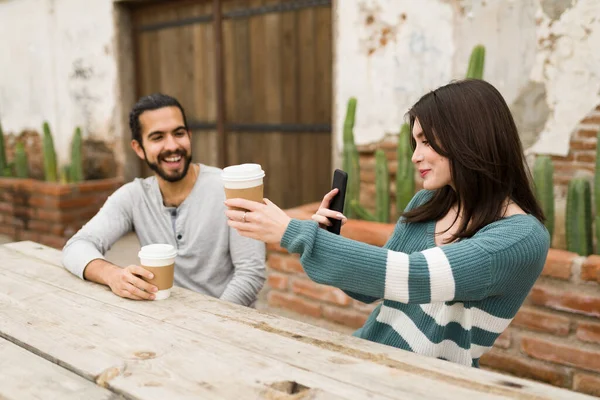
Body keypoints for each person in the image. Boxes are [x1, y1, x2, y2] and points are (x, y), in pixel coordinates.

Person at [224, 79, 550, 367]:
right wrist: (326, 238)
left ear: (468, 138)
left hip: (431, 384)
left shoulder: (520, 237)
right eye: (415, 142)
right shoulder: (427, 205)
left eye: (425, 141)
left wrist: (292, 232)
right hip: (367, 359)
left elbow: (414, 276)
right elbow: (377, 287)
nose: (414, 156)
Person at [62, 93, 266, 306]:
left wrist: (213, 321)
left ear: (189, 135)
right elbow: (76, 246)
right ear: (139, 148)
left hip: (228, 321)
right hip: (166, 321)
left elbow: (251, 273)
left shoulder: (229, 188)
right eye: (157, 137)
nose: (172, 146)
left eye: (178, 133)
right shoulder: (134, 196)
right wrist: (112, 275)